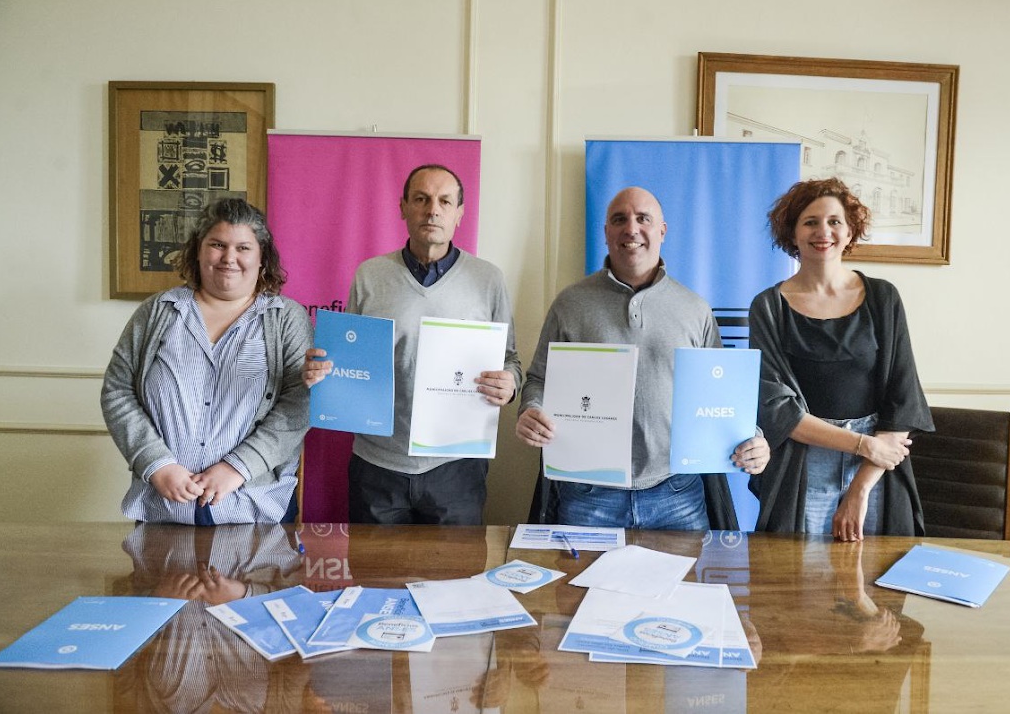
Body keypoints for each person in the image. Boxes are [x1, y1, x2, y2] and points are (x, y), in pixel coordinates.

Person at [516, 186, 770, 530]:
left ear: (662, 231)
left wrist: (752, 437)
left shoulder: (695, 309)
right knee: (581, 571)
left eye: (643, 219)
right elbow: (539, 379)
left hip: (677, 494)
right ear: (606, 232)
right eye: (619, 219)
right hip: (588, 494)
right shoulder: (570, 304)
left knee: (687, 570)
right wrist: (530, 409)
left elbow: (719, 395)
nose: (631, 228)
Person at [302, 164, 522, 525]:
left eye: (444, 201)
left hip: (456, 465)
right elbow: (350, 358)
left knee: (453, 564)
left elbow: (510, 360)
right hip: (377, 464)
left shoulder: (488, 279)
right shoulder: (370, 275)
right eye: (421, 199)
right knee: (375, 563)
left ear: (459, 214)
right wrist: (324, 369)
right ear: (403, 207)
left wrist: (510, 385)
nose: (432, 210)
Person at [101, 198, 312, 525]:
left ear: (262, 258)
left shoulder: (286, 319)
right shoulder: (158, 311)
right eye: (217, 245)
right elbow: (117, 391)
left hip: (254, 510)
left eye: (243, 248)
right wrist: (157, 464)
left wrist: (238, 467)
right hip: (164, 508)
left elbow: (300, 402)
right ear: (198, 251)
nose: (229, 257)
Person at [747, 177, 933, 541]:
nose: (823, 231)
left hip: (876, 468)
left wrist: (861, 485)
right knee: (799, 573)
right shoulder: (768, 307)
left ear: (850, 231)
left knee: (875, 573)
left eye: (834, 221)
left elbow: (904, 400)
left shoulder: (884, 298)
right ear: (793, 233)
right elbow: (778, 411)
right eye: (810, 222)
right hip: (804, 462)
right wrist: (863, 444)